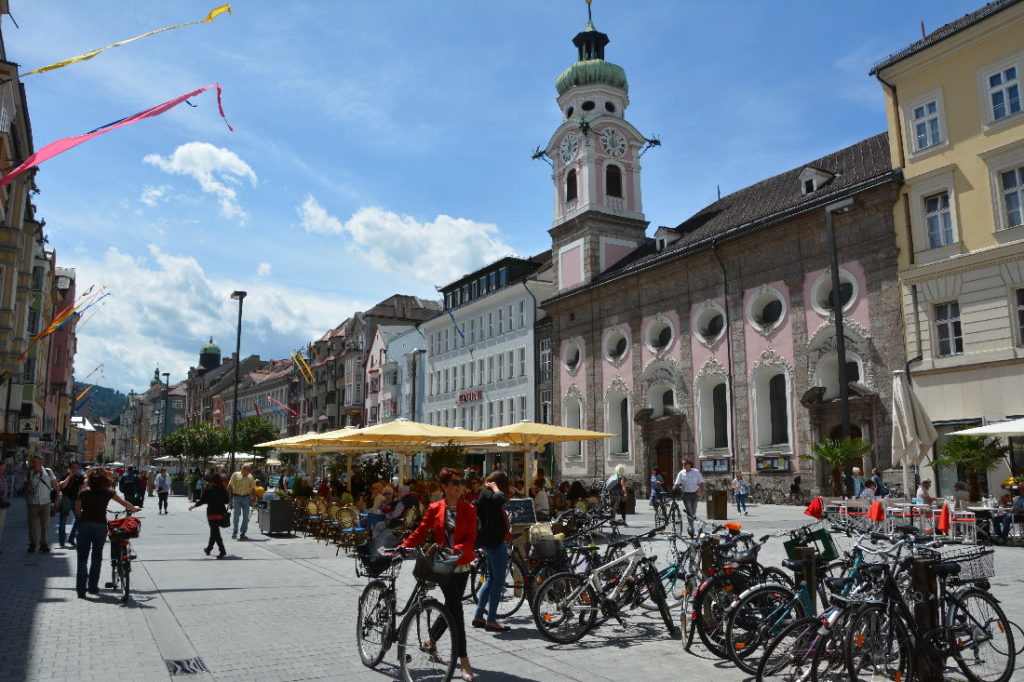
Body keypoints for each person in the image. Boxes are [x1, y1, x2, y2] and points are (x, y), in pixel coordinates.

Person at [399, 467, 478, 681]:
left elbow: (471, 539)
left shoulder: (469, 509)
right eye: (455, 483)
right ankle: (464, 661)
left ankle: (430, 640)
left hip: (461, 565)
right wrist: (403, 546)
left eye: (462, 482)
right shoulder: (436, 507)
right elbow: (421, 531)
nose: (460, 486)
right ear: (444, 486)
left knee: (452, 606)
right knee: (456, 610)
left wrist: (457, 550)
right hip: (443, 567)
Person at [74, 467, 139, 598]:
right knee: (96, 557)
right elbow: (124, 503)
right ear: (105, 479)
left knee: (82, 559)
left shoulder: (83, 492)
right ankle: (92, 587)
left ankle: (81, 591)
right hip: (100, 526)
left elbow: (77, 511)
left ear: (90, 479)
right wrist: (134, 508)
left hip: (85, 525)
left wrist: (85, 513)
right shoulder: (108, 492)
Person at [472, 470, 512, 634]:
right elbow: (500, 498)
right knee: (498, 581)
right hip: (494, 543)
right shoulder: (488, 493)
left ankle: (479, 616)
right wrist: (495, 488)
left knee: (490, 579)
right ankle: (492, 620)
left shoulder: (484, 494)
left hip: (489, 542)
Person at [23, 455, 59, 552]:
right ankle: (33, 544)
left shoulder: (48, 471)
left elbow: (55, 484)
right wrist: (26, 496)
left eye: (37, 461)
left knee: (45, 524)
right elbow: (26, 485)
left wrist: (58, 496)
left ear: (41, 462)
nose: (35, 463)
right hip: (32, 502)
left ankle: (44, 544)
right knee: (32, 525)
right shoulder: (29, 472)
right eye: (34, 461)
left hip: (46, 502)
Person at [189, 474, 229, 558]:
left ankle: (222, 550)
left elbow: (202, 501)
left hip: (212, 513)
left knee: (215, 533)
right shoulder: (222, 489)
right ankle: (209, 549)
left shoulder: (208, 489)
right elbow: (227, 501)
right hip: (221, 513)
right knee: (214, 532)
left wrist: (193, 506)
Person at [673, 459, 705, 534]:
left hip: (695, 494)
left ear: (690, 464)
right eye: (682, 464)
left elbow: (701, 482)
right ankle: (691, 528)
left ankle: (690, 526)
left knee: (693, 513)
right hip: (686, 495)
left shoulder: (696, 472)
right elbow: (677, 483)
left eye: (685, 464)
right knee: (690, 512)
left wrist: (702, 492)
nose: (683, 465)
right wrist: (673, 490)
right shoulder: (681, 473)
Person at [58, 461, 84, 548]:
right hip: (66, 500)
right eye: (73, 467)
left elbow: (82, 488)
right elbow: (62, 486)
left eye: (77, 467)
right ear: (70, 467)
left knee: (79, 518)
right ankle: (62, 540)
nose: (75, 469)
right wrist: (69, 476)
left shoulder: (80, 477)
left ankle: (72, 537)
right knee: (63, 521)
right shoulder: (64, 476)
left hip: (75, 501)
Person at [227, 463, 257, 541]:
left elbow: (253, 488)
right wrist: (229, 499)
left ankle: (243, 533)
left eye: (250, 470)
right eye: (249, 470)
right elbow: (229, 487)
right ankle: (235, 531)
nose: (250, 471)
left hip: (246, 498)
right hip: (237, 497)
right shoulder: (235, 475)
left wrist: (254, 498)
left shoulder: (250, 477)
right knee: (236, 515)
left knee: (246, 516)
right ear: (243, 469)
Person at [0, 460, 11, 555]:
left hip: (3, 503)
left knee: (1, 526)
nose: (4, 467)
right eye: (3, 466)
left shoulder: (3, 476)